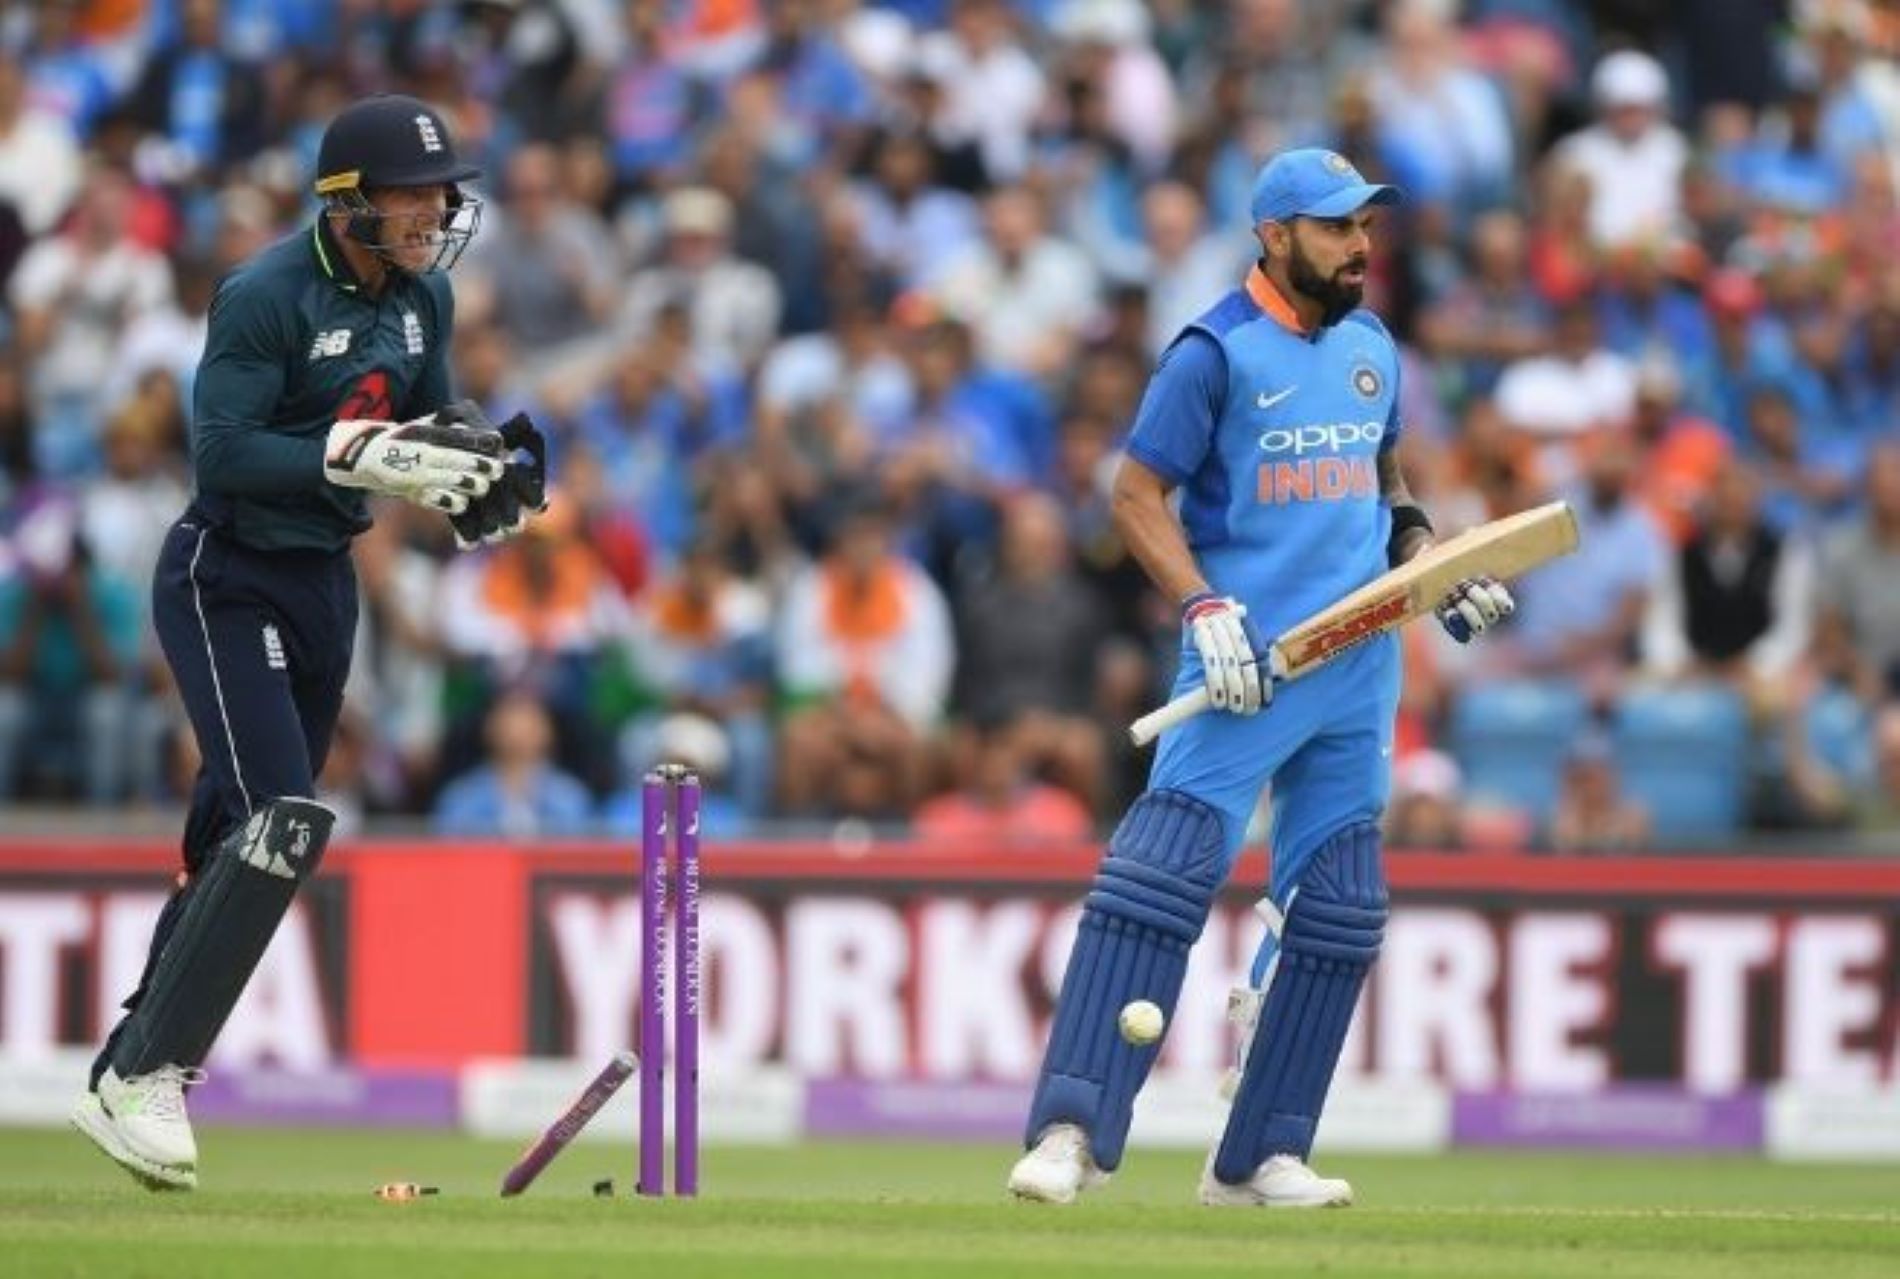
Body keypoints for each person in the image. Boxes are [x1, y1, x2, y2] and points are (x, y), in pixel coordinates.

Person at [1006, 149, 1514, 1209]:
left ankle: (1258, 1156)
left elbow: (1385, 482)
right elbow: (1137, 493)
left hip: (1358, 665)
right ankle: (1070, 1132)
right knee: (1161, 877)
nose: (1360, 247)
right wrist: (1201, 604)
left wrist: (1430, 565)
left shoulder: (1372, 345)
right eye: (1335, 229)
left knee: (1337, 909)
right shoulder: (1213, 351)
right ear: (1273, 234)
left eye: (1365, 227)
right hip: (1249, 666)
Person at [71, 94, 547, 1192]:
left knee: (237, 831)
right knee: (279, 819)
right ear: (347, 202)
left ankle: (127, 1063)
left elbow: (429, 417)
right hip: (226, 573)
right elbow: (224, 454)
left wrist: (478, 467)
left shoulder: (425, 293)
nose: (434, 209)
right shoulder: (265, 293)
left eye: (441, 190)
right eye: (412, 192)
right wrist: (360, 454)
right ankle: (150, 1072)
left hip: (326, 582)